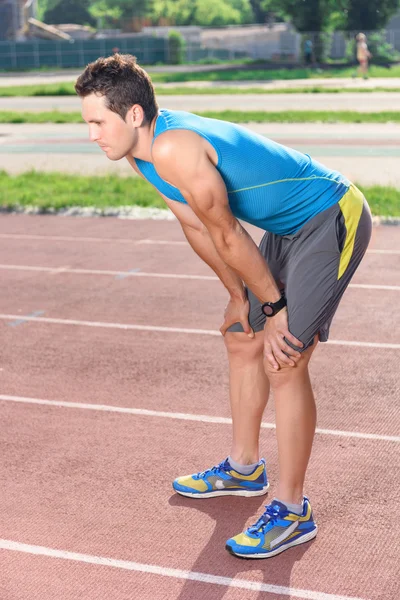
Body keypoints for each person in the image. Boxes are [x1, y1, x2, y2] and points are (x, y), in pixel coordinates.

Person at [75, 54, 372, 559]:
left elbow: (229, 231)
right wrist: (240, 297)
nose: (92, 135)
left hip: (330, 216)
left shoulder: (174, 148)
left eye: (97, 122)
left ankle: (293, 509)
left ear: (132, 116)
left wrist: (274, 306)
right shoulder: (139, 153)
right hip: (285, 230)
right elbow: (196, 225)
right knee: (242, 338)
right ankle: (243, 468)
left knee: (285, 358)